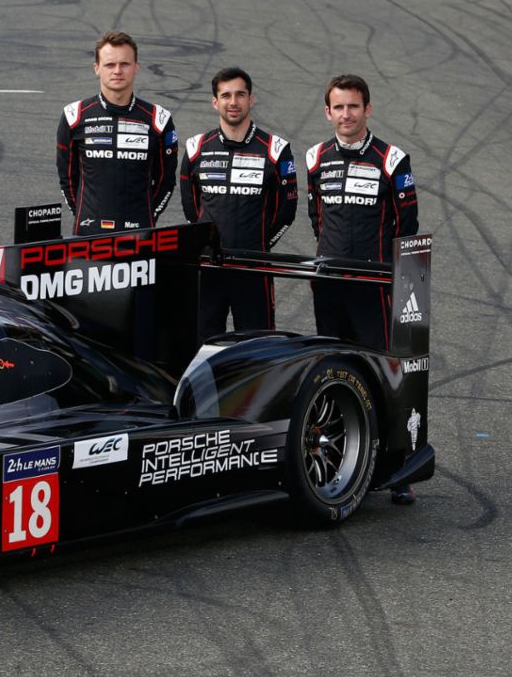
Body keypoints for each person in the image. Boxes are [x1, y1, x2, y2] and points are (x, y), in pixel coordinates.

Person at [305, 74, 420, 504]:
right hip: (330, 282)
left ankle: (397, 467)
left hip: (374, 286)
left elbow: (407, 225)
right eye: (339, 107)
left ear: (367, 109)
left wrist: (383, 271)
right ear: (328, 112)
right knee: (332, 370)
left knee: (382, 373)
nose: (346, 114)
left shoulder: (393, 159)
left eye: (354, 106)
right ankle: (341, 461)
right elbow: (316, 215)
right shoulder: (316, 156)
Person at [179, 67, 297, 339]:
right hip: (210, 267)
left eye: (240, 95)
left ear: (251, 99)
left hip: (253, 268)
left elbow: (286, 211)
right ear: (215, 102)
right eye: (226, 95)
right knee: (203, 345)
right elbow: (190, 203)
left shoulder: (276, 149)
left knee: (258, 347)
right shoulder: (197, 147)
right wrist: (205, 243)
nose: (233, 102)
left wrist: (259, 247)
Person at [57, 31, 179, 236]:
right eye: (110, 65)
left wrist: (149, 216)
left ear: (136, 68)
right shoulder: (74, 116)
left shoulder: (159, 119)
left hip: (140, 234)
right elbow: (67, 178)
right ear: (97, 69)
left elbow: (165, 180)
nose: (117, 71)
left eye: (125, 64)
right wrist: (83, 214)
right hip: (88, 234)